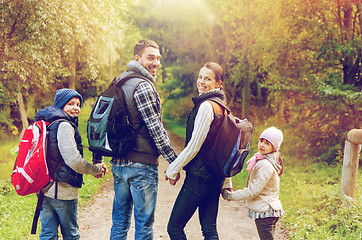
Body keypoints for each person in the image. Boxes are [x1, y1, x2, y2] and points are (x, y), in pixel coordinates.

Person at [92, 39, 178, 240]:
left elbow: (100, 122)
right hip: (141, 165)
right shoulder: (144, 86)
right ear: (137, 58)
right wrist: (174, 162)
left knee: (120, 222)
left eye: (158, 58)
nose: (155, 62)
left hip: (119, 165)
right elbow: (156, 129)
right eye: (150, 58)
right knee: (144, 225)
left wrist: (98, 158)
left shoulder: (117, 82)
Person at [165, 62, 232, 239]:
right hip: (215, 178)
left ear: (219, 84)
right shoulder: (223, 108)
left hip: (199, 178)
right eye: (200, 77)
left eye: (207, 78)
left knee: (174, 228)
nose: (201, 82)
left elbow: (194, 146)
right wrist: (226, 181)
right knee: (209, 230)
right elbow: (224, 150)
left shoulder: (207, 106)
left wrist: (173, 168)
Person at [34, 88, 107, 240]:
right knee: (71, 234)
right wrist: (96, 169)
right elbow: (73, 160)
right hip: (63, 191)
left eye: (78, 104)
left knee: (48, 234)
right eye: (71, 104)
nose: (76, 108)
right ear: (61, 105)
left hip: (43, 188)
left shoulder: (47, 123)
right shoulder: (64, 125)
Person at [222, 127, 284, 240]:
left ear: (274, 147)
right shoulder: (265, 160)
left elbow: (253, 190)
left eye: (267, 143)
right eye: (261, 141)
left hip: (266, 211)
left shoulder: (265, 164)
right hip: (269, 209)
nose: (262, 145)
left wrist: (232, 196)